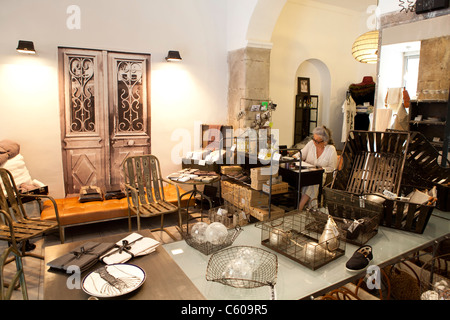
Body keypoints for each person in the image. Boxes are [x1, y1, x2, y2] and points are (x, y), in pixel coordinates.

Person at [294, 126, 338, 211]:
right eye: (314, 139)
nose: (314, 143)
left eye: (317, 141)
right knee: (310, 181)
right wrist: (295, 156)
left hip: (321, 175)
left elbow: (333, 168)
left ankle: (300, 207)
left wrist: (321, 168)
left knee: (314, 183)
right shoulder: (311, 144)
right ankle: (312, 209)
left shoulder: (331, 150)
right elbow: (300, 154)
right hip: (307, 172)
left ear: (325, 141)